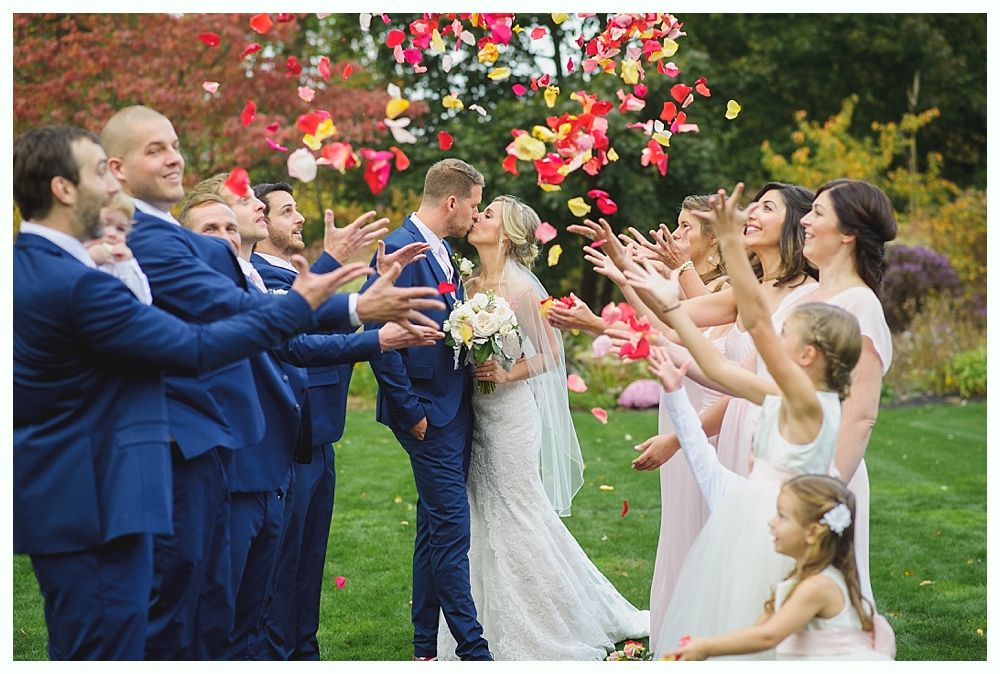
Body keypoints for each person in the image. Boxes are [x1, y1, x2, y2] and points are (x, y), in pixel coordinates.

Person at [12, 125, 367, 660]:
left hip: (91, 496)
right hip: (97, 502)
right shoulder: (73, 282)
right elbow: (190, 346)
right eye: (97, 173)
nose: (111, 188)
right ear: (64, 189)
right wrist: (323, 304)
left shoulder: (57, 267)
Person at [101, 105, 443, 659]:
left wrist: (357, 304)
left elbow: (266, 321)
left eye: (173, 144)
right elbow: (257, 323)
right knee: (203, 622)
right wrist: (359, 309)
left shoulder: (193, 249)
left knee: (242, 615)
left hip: (259, 450)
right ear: (116, 168)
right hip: (214, 452)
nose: (172, 157)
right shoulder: (160, 244)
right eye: (153, 149)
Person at [625, 183, 862, 658]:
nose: (753, 213)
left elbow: (751, 336)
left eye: (766, 208)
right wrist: (624, 279)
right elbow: (712, 360)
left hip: (785, 451)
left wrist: (724, 245)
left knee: (772, 579)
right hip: (749, 435)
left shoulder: (808, 317)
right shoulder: (756, 309)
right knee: (741, 575)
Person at [437, 195, 649, 660]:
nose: (478, 217)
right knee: (481, 513)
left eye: (488, 214)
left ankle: (550, 621)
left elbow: (553, 353)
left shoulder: (524, 290)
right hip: (474, 413)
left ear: (509, 234)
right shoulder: (467, 284)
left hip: (512, 413)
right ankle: (481, 622)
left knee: (519, 511)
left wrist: (507, 373)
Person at [249, 181, 431, 660]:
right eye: (287, 210)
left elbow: (343, 313)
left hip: (321, 435)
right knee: (281, 569)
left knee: (309, 565)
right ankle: (279, 655)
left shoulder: (299, 275)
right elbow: (302, 330)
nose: (299, 218)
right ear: (260, 220)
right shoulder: (262, 278)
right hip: (289, 439)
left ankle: (306, 651)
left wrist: (380, 280)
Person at [364, 158, 492, 661]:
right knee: (452, 529)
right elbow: (379, 338)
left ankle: (424, 647)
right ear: (452, 202)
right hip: (426, 414)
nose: (474, 217)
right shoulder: (398, 249)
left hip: (452, 407)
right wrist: (410, 409)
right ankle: (473, 649)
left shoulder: (442, 251)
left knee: (433, 528)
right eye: (474, 207)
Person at [778, 179, 896, 606]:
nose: (805, 221)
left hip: (820, 469)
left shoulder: (860, 305)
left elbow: (861, 414)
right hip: (779, 454)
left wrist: (824, 492)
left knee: (818, 601)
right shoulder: (807, 295)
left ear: (848, 233)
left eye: (818, 213)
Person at [664, 475, 894, 660]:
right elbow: (756, 631)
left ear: (812, 532)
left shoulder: (818, 586)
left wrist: (706, 647)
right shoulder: (797, 578)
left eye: (782, 516)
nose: (771, 522)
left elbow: (767, 636)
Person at [86, 190, 153, 303]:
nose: (112, 234)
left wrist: (126, 264)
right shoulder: (79, 251)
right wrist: (90, 259)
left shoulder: (122, 261)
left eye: (120, 229)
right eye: (104, 224)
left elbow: (144, 301)